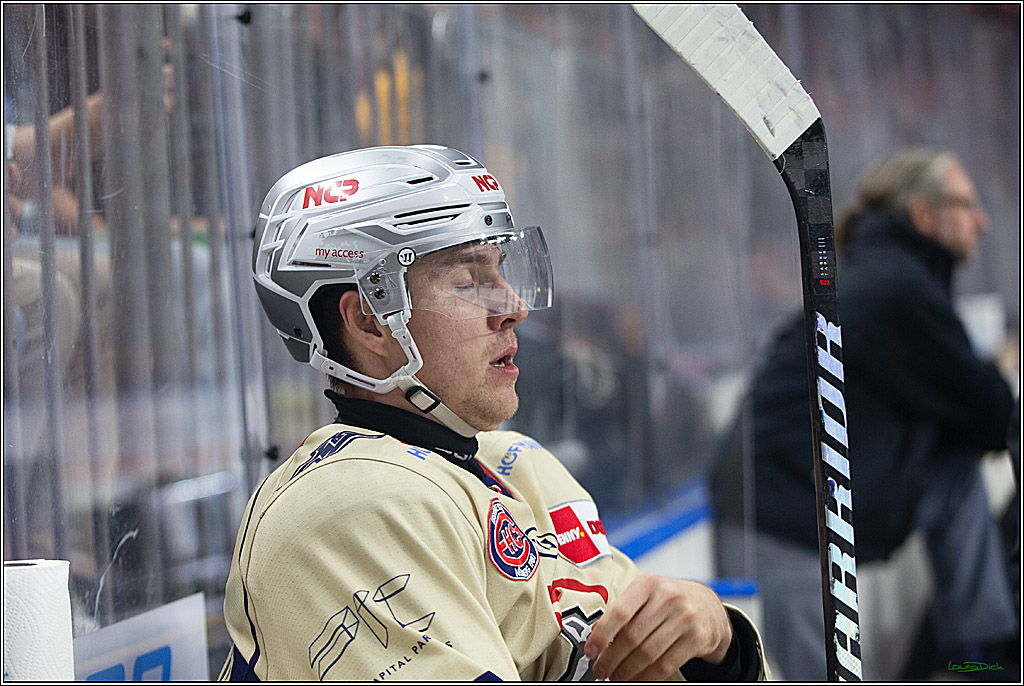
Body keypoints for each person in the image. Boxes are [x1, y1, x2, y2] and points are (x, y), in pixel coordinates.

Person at [219, 145, 770, 681]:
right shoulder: (346, 509)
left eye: (501, 271)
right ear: (370, 322)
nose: (514, 307)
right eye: (467, 281)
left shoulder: (515, 465)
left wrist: (719, 643)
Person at [749, 148, 1017, 680]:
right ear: (924, 216)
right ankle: (979, 657)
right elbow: (995, 412)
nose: (982, 223)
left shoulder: (885, 274)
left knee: (956, 471)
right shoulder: (897, 287)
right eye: (967, 206)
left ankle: (978, 656)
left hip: (807, 497)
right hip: (787, 517)